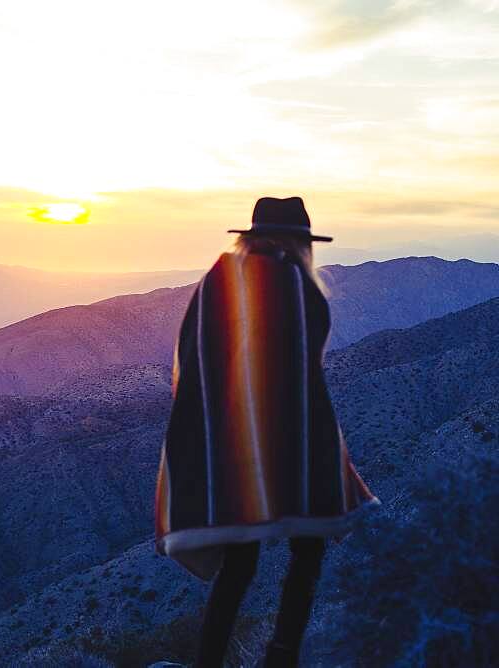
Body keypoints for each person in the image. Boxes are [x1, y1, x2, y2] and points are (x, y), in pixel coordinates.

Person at [153, 197, 379, 668]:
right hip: (294, 436)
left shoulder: (218, 282)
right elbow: (305, 367)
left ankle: (208, 660)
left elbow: (193, 362)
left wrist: (213, 428)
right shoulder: (297, 284)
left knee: (239, 564)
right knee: (308, 548)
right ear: (300, 242)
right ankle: (282, 654)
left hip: (230, 441)